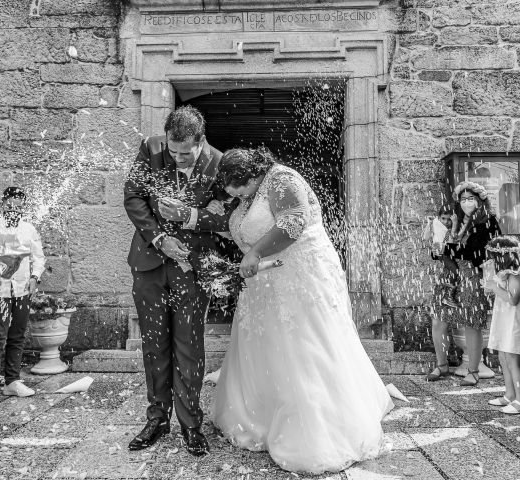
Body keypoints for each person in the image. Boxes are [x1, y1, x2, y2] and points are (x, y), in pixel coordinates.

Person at [212, 148, 393, 474]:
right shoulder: (249, 197)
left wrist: (253, 252)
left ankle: (315, 431)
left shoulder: (281, 179)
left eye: (236, 187)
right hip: (267, 280)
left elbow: (293, 222)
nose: (234, 195)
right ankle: (261, 416)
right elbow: (247, 227)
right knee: (267, 348)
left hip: (300, 277)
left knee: (302, 347)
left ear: (251, 176)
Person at [123, 106, 232, 456]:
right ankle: (157, 419)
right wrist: (158, 238)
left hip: (191, 266)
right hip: (151, 263)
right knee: (153, 342)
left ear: (201, 143)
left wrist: (189, 217)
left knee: (188, 344)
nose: (178, 158)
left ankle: (191, 424)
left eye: (186, 153)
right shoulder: (151, 148)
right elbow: (133, 196)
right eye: (174, 151)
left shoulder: (219, 163)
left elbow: (225, 215)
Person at [0, 187, 45, 405]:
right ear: (4, 204)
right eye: (11, 203)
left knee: (18, 335)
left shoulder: (29, 229)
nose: (15, 208)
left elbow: (38, 256)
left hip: (22, 289)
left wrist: (35, 277)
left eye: (20, 204)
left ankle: (12, 381)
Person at [427, 181, 502, 386]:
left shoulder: (488, 221)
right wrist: (436, 251)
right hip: (449, 275)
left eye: (471, 199)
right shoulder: (456, 220)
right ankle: (442, 365)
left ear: (480, 201)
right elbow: (443, 245)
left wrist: (446, 250)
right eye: (463, 199)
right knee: (438, 318)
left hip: (472, 275)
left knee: (471, 322)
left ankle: (473, 370)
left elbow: (475, 252)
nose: (466, 202)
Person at [486, 236, 520, 415]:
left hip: (516, 325)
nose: (491, 260)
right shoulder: (506, 275)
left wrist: (494, 287)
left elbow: (513, 299)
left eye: (494, 256)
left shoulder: (517, 277)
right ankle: (510, 394)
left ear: (504, 256)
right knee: (504, 357)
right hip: (506, 322)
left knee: (514, 361)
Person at [423, 205, 460, 308]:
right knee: (455, 270)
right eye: (443, 218)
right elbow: (425, 238)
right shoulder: (435, 224)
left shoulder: (451, 227)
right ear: (438, 217)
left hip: (448, 252)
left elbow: (452, 243)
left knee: (453, 270)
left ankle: (446, 288)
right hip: (440, 252)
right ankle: (448, 296)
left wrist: (454, 225)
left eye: (449, 219)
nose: (445, 222)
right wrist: (429, 224)